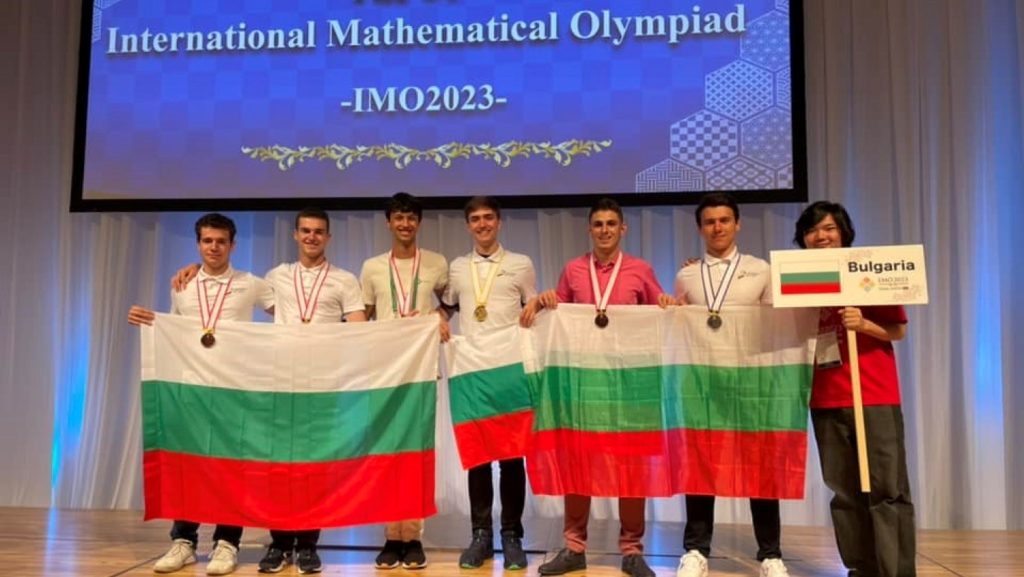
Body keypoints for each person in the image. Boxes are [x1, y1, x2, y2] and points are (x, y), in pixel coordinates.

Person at [520, 198, 674, 577]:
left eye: (611, 224)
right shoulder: (573, 270)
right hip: (584, 387)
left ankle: (632, 551)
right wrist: (545, 301)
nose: (605, 230)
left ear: (623, 229)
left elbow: (661, 314)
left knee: (633, 467)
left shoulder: (641, 270)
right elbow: (559, 317)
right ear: (589, 229)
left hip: (630, 386)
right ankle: (574, 547)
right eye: (598, 224)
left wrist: (668, 304)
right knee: (578, 464)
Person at [128, 213, 275, 576]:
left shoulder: (251, 283)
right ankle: (184, 541)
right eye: (207, 241)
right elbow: (175, 331)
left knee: (232, 466)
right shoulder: (183, 284)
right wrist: (150, 321)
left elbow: (290, 314)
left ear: (233, 245)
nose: (214, 247)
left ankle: (227, 543)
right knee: (188, 465)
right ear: (198, 244)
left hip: (234, 389)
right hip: (191, 388)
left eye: (221, 241)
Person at [794, 201, 916, 577]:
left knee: (886, 489)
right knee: (845, 492)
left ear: (844, 232)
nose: (820, 236)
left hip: (873, 394)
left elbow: (897, 330)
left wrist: (862, 324)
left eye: (828, 228)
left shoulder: (870, 270)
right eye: (812, 230)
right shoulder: (798, 279)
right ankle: (860, 568)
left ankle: (895, 571)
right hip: (825, 397)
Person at [673, 193, 788, 577]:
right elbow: (680, 327)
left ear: (737, 224)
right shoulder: (687, 275)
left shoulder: (761, 270)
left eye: (724, 220)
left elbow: (776, 324)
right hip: (702, 384)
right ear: (700, 228)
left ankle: (771, 554)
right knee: (700, 466)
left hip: (750, 382)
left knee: (760, 467)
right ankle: (696, 551)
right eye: (709, 222)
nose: (717, 227)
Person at [256, 208, 367, 574]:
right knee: (280, 468)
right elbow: (233, 282)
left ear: (328, 237)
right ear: (295, 235)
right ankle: (278, 543)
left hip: (323, 386)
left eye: (319, 231)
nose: (311, 237)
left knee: (314, 468)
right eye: (305, 230)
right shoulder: (276, 276)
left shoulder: (344, 280)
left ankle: (307, 544)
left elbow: (359, 329)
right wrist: (193, 268)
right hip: (282, 383)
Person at [439, 196, 536, 571]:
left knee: (513, 456)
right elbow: (448, 306)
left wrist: (539, 305)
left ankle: (512, 536)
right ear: (468, 226)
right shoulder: (457, 267)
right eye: (476, 219)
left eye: (488, 218)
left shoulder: (520, 264)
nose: (482, 224)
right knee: (477, 456)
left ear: (499, 222)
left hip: (509, 369)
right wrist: (437, 318)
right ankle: (480, 536)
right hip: (472, 371)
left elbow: (532, 306)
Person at [359, 192, 449, 570]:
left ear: (419, 222)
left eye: (411, 218)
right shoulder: (372, 267)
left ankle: (412, 537)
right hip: (384, 371)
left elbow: (450, 303)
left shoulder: (437, 263)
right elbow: (363, 314)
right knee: (386, 453)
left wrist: (438, 318)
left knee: (415, 454)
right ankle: (390, 537)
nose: (405, 224)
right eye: (398, 217)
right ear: (389, 223)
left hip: (421, 369)